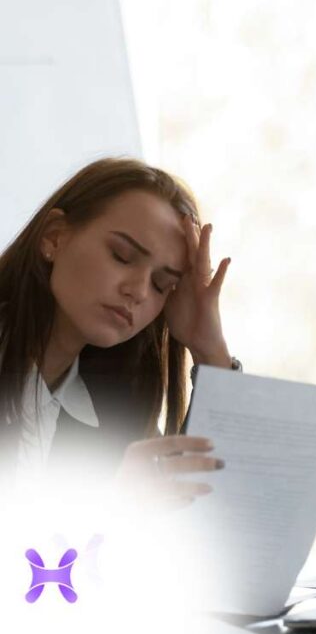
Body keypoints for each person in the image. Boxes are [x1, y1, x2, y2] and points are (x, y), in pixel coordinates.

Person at [0, 157, 237, 505]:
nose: (139, 292)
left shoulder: (113, 407)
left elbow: (220, 518)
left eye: (161, 284)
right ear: (54, 237)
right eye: (122, 256)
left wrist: (209, 350)